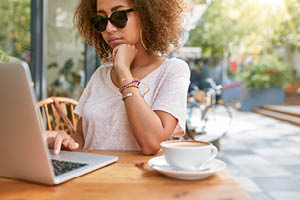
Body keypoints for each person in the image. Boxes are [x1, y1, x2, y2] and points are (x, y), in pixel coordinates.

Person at [46, 0, 190, 155]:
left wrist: (123, 71)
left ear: (146, 15)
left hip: (137, 177)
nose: (108, 28)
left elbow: (152, 143)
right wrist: (65, 141)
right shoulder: (100, 75)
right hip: (91, 177)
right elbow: (81, 136)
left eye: (119, 17)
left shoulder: (172, 70)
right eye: (100, 20)